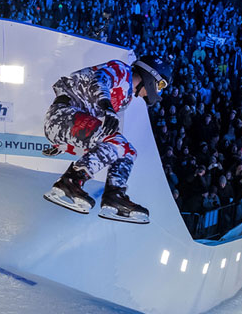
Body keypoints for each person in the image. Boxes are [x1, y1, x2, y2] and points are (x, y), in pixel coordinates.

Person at [41, 56, 171, 224]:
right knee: (117, 143)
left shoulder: (125, 98)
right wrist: (107, 108)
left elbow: (97, 132)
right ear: (152, 76)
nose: (158, 91)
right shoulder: (122, 70)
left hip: (71, 122)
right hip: (63, 113)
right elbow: (99, 80)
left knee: (127, 151)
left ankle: (114, 195)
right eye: (161, 85)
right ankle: (70, 181)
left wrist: (64, 145)